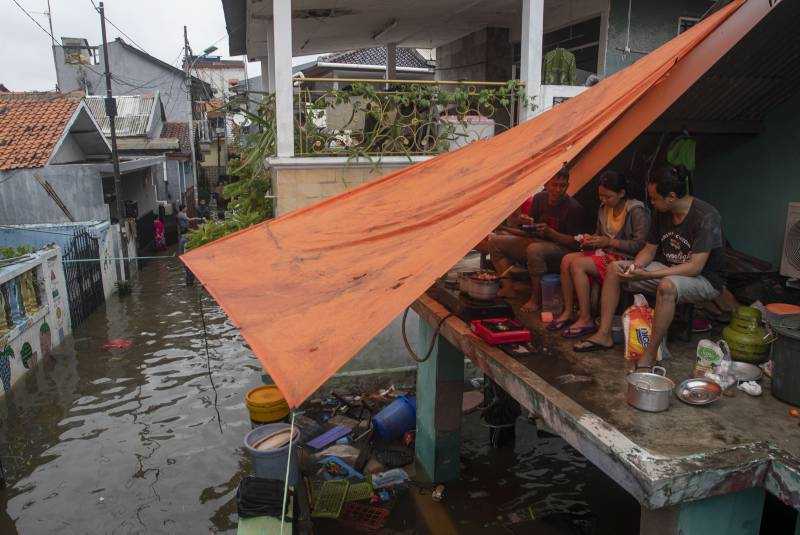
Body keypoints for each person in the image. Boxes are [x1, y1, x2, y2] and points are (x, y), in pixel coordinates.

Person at [574, 167, 725, 369]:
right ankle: (604, 334)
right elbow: (649, 249)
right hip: (668, 268)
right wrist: (637, 267)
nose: (651, 203)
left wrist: (651, 273)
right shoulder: (660, 212)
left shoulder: (706, 215)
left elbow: (694, 267)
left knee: (666, 285)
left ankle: (651, 353)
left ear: (671, 197)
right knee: (615, 269)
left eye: (654, 199)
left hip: (704, 280)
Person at [552, 171, 650, 337]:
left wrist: (609, 242)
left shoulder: (636, 211)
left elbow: (640, 245)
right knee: (566, 260)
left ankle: (585, 318)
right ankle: (568, 311)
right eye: (600, 196)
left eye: (608, 196)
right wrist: (591, 239)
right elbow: (599, 234)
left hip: (626, 258)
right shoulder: (604, 209)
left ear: (621, 193)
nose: (603, 200)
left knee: (577, 264)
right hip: (605, 252)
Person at [488, 167, 587, 312]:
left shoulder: (574, 208)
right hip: (536, 242)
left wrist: (551, 233)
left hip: (562, 250)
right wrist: (520, 224)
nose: (558, 189)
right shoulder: (540, 199)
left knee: (534, 249)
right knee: (494, 241)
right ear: (547, 183)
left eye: (562, 185)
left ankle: (536, 299)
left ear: (568, 185)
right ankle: (508, 287)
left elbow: (576, 244)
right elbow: (529, 232)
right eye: (554, 185)